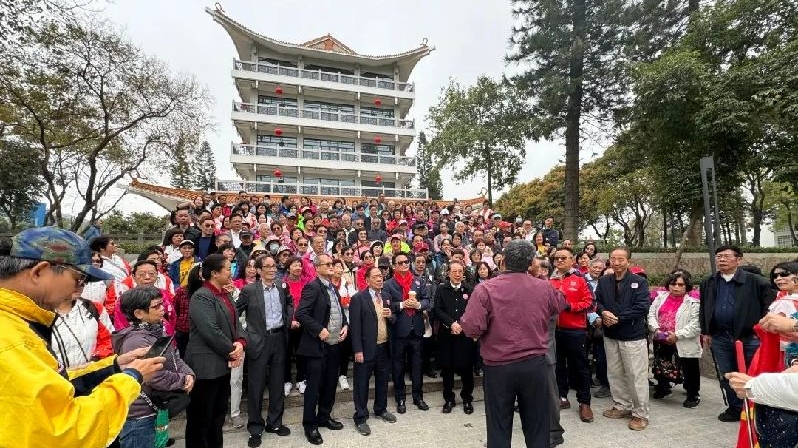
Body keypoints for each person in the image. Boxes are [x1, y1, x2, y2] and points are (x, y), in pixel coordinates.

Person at [0, 227, 164, 448]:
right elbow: (63, 432)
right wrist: (130, 379)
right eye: (79, 279)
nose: (80, 288)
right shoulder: (12, 341)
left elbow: (55, 385)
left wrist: (114, 366)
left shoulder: (17, 323)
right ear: (39, 272)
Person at [460, 240, 565, 448]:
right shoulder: (543, 287)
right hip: (534, 365)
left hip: (499, 367)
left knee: (499, 424)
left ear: (504, 261)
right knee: (537, 424)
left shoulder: (485, 289)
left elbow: (472, 327)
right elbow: (560, 304)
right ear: (530, 263)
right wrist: (539, 277)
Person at [699, 245, 775, 422]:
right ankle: (735, 408)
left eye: (726, 256)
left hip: (750, 337)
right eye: (719, 256)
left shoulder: (756, 281)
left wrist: (762, 329)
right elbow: (704, 308)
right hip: (720, 336)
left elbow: (770, 306)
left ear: (738, 260)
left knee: (753, 373)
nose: (722, 259)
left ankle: (758, 409)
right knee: (728, 373)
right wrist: (706, 331)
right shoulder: (709, 282)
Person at [114, 286, 195, 448]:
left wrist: (188, 373)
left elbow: (174, 356)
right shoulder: (136, 340)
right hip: (140, 416)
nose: (162, 308)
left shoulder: (158, 330)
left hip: (154, 409)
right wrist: (182, 380)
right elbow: (154, 375)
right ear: (139, 313)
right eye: (156, 306)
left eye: (161, 303)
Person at [183, 254, 246, 448]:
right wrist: (232, 351)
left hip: (221, 365)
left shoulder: (224, 294)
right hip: (205, 367)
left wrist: (241, 342)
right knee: (201, 418)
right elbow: (210, 330)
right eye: (227, 268)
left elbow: (236, 323)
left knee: (217, 415)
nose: (231, 272)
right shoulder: (202, 295)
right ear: (214, 273)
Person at [236, 255, 293, 447]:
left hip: (279, 339)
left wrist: (287, 320)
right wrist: (245, 335)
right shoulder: (249, 290)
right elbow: (235, 313)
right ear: (259, 270)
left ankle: (275, 423)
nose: (272, 269)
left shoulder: (282, 286)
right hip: (258, 341)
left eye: (273, 266)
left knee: (277, 384)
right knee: (256, 386)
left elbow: (290, 303)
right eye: (267, 266)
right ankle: (255, 427)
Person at [595, 247, 651, 430]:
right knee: (615, 373)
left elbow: (642, 307)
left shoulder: (639, 282)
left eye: (621, 259)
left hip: (632, 336)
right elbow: (597, 301)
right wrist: (603, 312)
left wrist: (618, 318)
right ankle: (621, 405)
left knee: (635, 376)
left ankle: (640, 413)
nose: (617, 262)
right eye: (613, 259)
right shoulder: (604, 281)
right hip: (611, 335)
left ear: (628, 262)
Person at [295, 254, 348, 445]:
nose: (331, 266)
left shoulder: (332, 287)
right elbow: (301, 313)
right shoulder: (313, 287)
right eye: (327, 264)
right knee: (314, 387)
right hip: (317, 346)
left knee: (330, 384)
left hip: (334, 344)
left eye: (332, 263)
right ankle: (310, 425)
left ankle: (324, 417)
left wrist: (345, 324)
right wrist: (318, 330)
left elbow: (339, 310)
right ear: (317, 268)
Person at [349, 266, 398, 436]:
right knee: (361, 384)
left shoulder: (387, 296)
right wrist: (357, 350)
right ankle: (360, 417)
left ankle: (381, 409)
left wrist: (391, 315)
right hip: (365, 348)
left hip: (384, 347)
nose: (379, 279)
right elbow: (355, 327)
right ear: (367, 280)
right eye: (375, 276)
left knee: (383, 381)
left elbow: (394, 319)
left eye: (381, 276)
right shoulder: (358, 298)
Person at [549, 247, 594, 422]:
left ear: (572, 260)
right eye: (557, 258)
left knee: (579, 366)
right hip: (554, 331)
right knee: (558, 365)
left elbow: (589, 303)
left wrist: (570, 307)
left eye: (564, 258)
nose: (560, 261)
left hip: (575, 330)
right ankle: (562, 397)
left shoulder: (580, 280)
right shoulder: (550, 281)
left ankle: (584, 402)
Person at [648, 270, 702, 408]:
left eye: (680, 285)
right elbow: (651, 314)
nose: (676, 287)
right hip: (661, 337)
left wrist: (677, 335)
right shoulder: (660, 298)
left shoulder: (693, 302)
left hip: (683, 339)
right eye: (673, 284)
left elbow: (695, 324)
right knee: (661, 364)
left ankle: (692, 394)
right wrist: (656, 329)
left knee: (689, 367)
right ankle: (663, 387)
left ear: (686, 286)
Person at [384, 251, 430, 414]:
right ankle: (400, 398)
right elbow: (387, 305)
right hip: (398, 330)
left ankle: (418, 397)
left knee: (417, 365)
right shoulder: (389, 284)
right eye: (400, 263)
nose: (404, 265)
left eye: (406, 262)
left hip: (416, 329)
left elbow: (427, 300)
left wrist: (418, 305)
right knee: (398, 366)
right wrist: (403, 304)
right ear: (394, 266)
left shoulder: (418, 281)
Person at [432, 261, 476, 414]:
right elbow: (437, 309)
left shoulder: (469, 289)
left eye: (460, 271)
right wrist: (451, 323)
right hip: (446, 335)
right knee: (447, 368)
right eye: (454, 271)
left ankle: (467, 398)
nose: (457, 274)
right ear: (448, 273)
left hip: (465, 335)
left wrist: (462, 324)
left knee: (467, 368)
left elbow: (473, 310)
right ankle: (449, 399)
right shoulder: (441, 289)